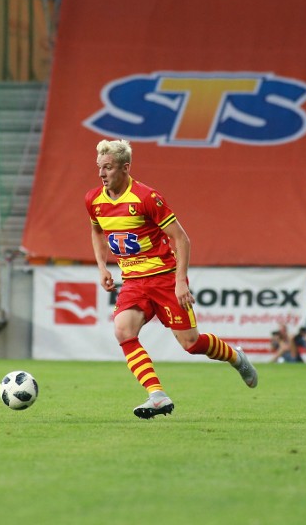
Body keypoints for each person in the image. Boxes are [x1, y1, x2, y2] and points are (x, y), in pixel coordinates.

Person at [86, 139, 257, 419]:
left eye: (108, 167)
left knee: (191, 344)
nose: (102, 174)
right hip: (133, 281)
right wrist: (102, 267)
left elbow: (182, 239)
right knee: (123, 331)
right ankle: (157, 395)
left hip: (164, 278)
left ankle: (235, 357)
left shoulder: (146, 198)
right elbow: (96, 231)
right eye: (99, 168)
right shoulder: (94, 199)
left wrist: (180, 282)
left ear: (125, 168)